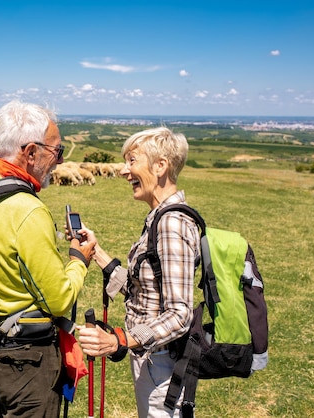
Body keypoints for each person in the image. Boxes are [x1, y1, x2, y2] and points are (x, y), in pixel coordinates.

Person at [0, 99, 97, 418]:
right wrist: (79, 259)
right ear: (30, 153)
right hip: (26, 362)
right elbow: (59, 300)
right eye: (57, 151)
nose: (59, 160)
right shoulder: (27, 209)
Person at [77, 127, 200, 417]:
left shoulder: (172, 225)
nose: (123, 170)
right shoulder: (159, 218)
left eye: (132, 161)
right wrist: (97, 253)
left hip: (163, 366)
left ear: (160, 167)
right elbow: (145, 289)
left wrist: (120, 340)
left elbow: (180, 314)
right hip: (154, 360)